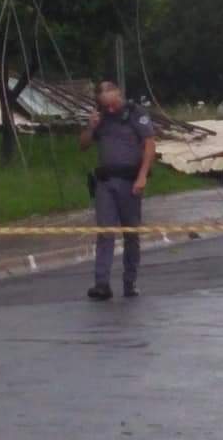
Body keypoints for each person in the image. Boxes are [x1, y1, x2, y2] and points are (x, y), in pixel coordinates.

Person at [79, 81, 156, 301]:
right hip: (105, 182)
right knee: (105, 232)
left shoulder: (135, 113)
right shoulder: (101, 117)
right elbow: (83, 145)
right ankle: (101, 283)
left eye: (112, 104)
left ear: (118, 94)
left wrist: (142, 176)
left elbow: (149, 145)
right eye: (106, 106)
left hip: (130, 181)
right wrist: (90, 127)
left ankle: (130, 282)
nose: (110, 109)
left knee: (131, 234)